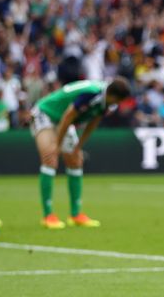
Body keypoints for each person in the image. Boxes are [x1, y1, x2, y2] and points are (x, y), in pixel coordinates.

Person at [31, 77, 131, 229]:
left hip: (63, 119)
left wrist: (78, 147)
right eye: (118, 101)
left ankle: (75, 214)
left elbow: (93, 122)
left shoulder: (105, 101)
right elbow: (68, 116)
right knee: (50, 158)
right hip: (46, 114)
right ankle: (48, 215)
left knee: (76, 160)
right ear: (113, 96)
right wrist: (57, 145)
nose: (117, 105)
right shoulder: (92, 94)